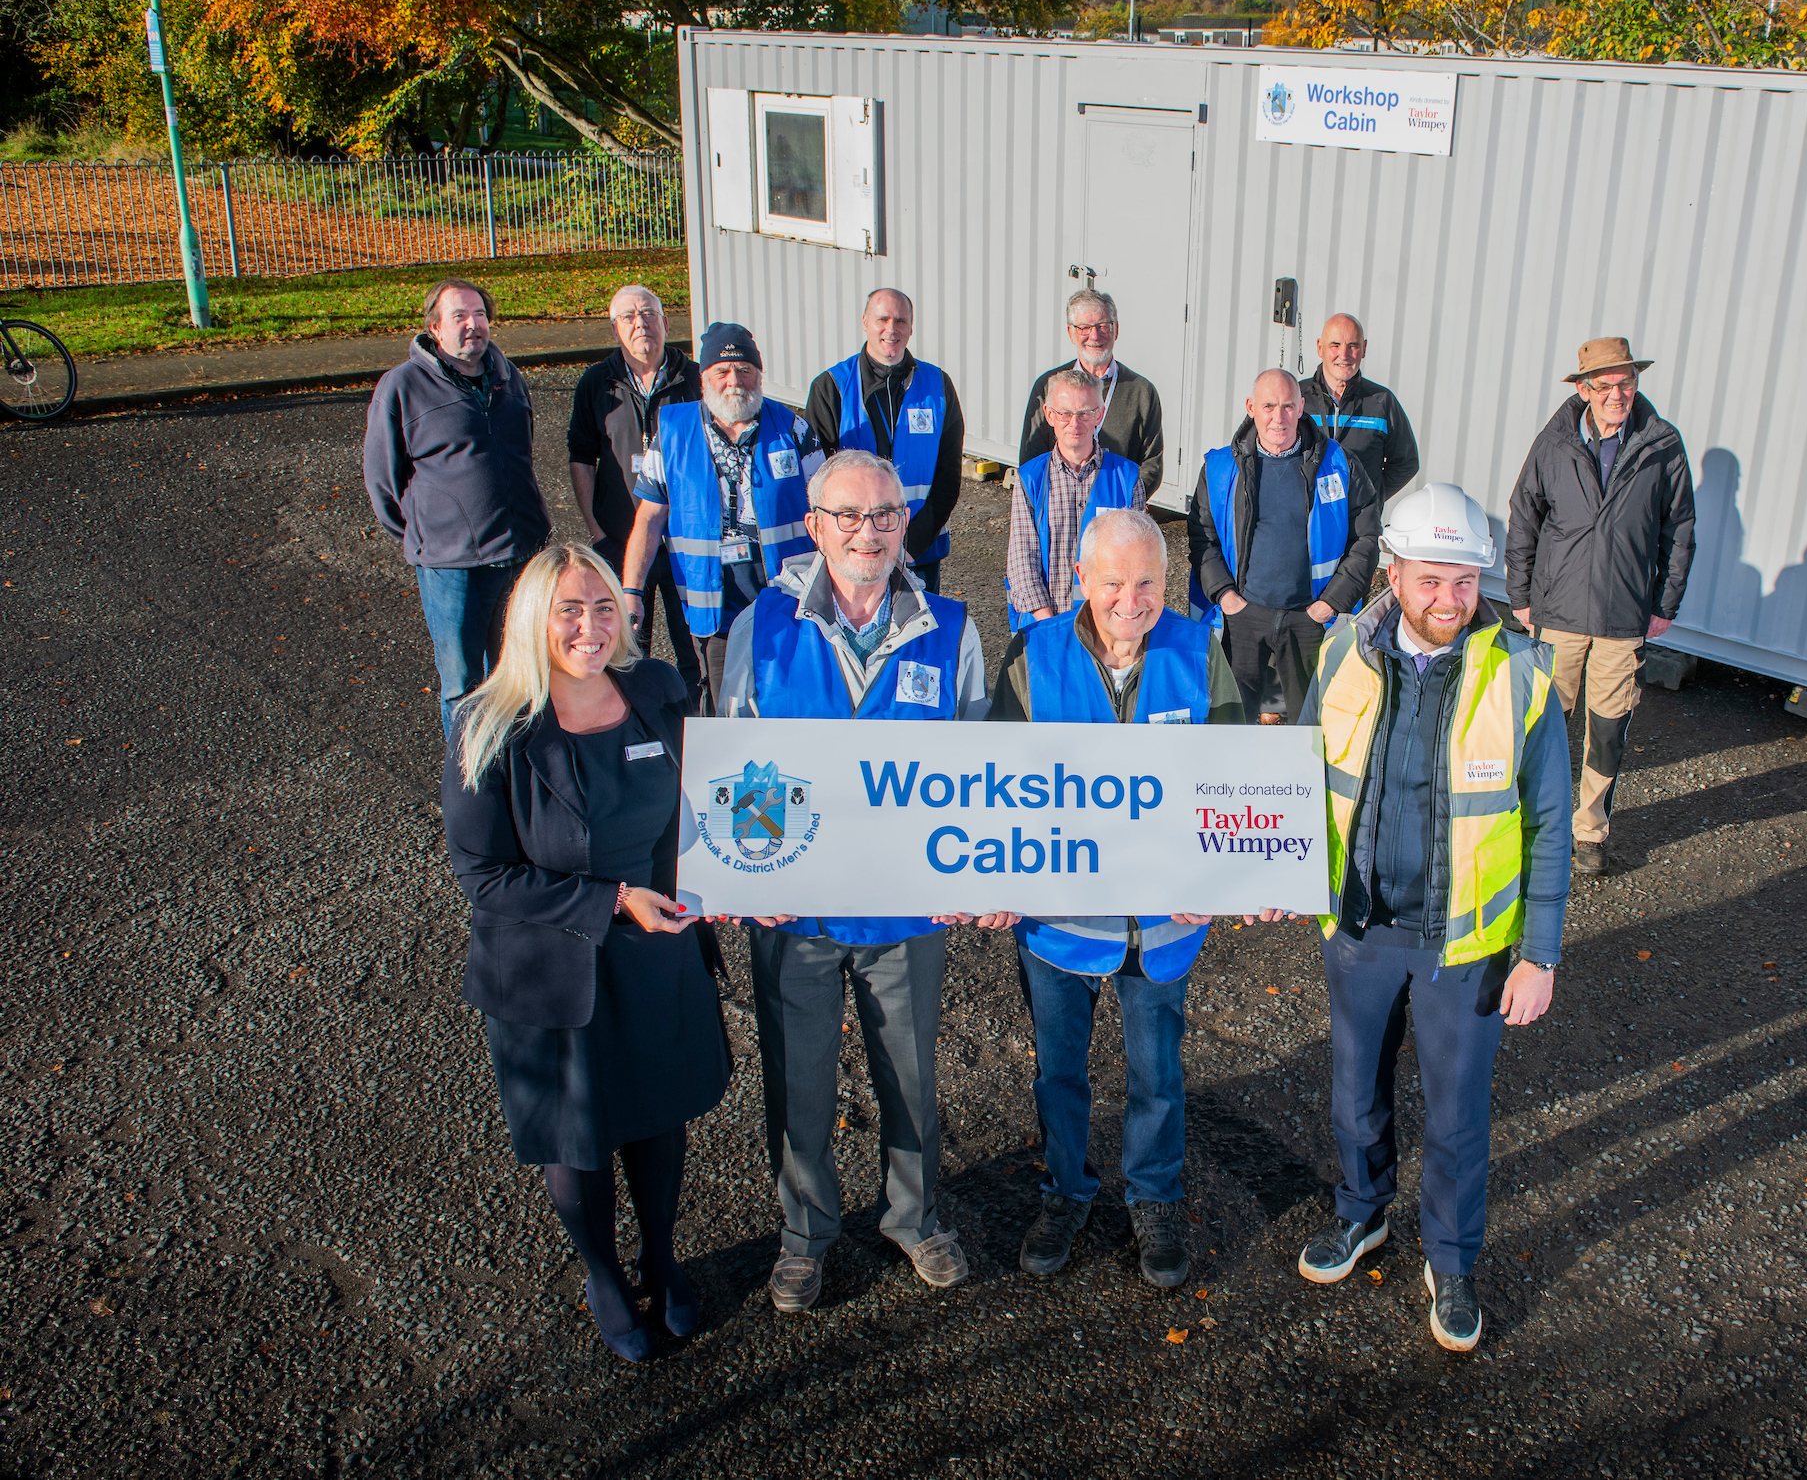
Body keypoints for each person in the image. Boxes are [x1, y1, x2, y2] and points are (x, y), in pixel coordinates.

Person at [1277, 484, 1569, 1354]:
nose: (1450, 601)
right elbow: (1295, 778)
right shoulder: (1341, 654)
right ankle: (1361, 1214)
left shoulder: (1519, 673)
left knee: (1457, 1114)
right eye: (1432, 582)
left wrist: (1540, 952)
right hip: (1360, 929)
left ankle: (1450, 1256)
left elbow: (1549, 819)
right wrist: (1269, 870)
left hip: (1465, 944)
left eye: (1464, 583)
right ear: (1394, 574)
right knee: (1354, 1092)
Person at [439, 542, 731, 1364]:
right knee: (578, 1137)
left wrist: (747, 876)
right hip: (552, 969)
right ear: (534, 617)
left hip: (656, 953)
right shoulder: (490, 726)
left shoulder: (655, 690)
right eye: (570, 609)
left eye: (604, 606)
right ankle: (604, 1273)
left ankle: (662, 1252)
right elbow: (483, 874)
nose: (591, 626)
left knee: (656, 1119)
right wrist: (609, 901)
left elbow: (710, 798)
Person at [718, 449, 990, 1311]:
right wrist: (744, 876)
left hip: (909, 906)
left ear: (903, 524)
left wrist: (979, 867)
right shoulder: (762, 625)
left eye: (882, 515)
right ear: (814, 526)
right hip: (796, 907)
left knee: (909, 1076)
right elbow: (731, 757)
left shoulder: (952, 628)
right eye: (846, 515)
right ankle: (805, 1235)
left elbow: (982, 768)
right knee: (797, 1079)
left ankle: (913, 1217)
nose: (866, 531)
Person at [982, 509, 1245, 1287]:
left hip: (1160, 924)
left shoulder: (1198, 649)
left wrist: (1218, 875)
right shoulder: (1036, 656)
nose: (1131, 601)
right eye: (1112, 584)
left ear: (1168, 583)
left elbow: (1231, 774)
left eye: (1147, 584)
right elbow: (990, 785)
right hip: (1060, 920)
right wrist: (992, 880)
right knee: (1059, 1072)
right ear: (1080, 584)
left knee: (1155, 1072)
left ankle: (1154, 1193)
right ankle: (1065, 1188)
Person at [1504, 337, 1696, 875]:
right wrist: (1520, 596)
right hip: (1558, 610)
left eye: (1626, 383)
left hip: (1623, 614)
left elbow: (1679, 532)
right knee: (1541, 725)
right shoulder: (1555, 442)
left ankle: (1589, 831)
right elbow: (1525, 518)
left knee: (1608, 728)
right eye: (1606, 385)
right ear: (1584, 389)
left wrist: (1665, 604)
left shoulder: (1661, 445)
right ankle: (1531, 822)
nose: (1618, 394)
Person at [364, 278, 550, 739]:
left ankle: (516, 776)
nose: (473, 325)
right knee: (463, 685)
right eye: (460, 317)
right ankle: (471, 787)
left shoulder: (509, 376)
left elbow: (520, 452)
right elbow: (383, 482)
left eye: (480, 315)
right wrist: (431, 537)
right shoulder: (402, 387)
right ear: (434, 327)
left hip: (521, 553)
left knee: (521, 675)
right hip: (454, 568)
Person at [622, 322, 823, 717]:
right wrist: (631, 592)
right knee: (723, 707)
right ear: (704, 379)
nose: (735, 381)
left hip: (786, 599)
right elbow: (648, 520)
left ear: (759, 375)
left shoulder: (795, 430)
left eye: (745, 370)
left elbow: (828, 510)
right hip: (712, 605)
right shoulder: (672, 434)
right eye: (722, 372)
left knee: (788, 702)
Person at [1186, 367, 1381, 724]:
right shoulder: (1219, 468)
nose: (1279, 417)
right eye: (1269, 406)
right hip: (1243, 618)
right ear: (1251, 407)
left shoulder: (1338, 465)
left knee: (1308, 725)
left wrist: (1329, 604)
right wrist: (1227, 597)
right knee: (1231, 720)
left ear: (1302, 406)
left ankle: (1293, 782)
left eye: (1289, 406)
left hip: (1309, 619)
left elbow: (1366, 541)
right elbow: (1202, 538)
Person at [567, 285, 702, 696]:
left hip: (685, 542)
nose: (640, 323)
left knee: (695, 650)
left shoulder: (694, 379)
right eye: (628, 316)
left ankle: (693, 729)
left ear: (665, 322)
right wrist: (597, 530)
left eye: (649, 314)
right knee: (625, 652)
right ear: (614, 329)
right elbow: (581, 457)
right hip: (621, 543)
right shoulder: (596, 384)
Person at [803, 289, 966, 594]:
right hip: (857, 550)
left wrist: (910, 544)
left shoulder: (938, 385)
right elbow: (817, 481)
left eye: (901, 321)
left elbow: (949, 476)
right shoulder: (831, 388)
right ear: (865, 322)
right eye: (882, 319)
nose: (891, 329)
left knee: (920, 636)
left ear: (911, 327)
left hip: (919, 552)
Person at [1005, 367, 1147, 631]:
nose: (1075, 423)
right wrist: (1052, 626)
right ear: (1049, 415)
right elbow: (1022, 562)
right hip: (1045, 625)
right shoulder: (1030, 479)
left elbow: (1137, 562)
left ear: (1099, 415)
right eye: (1065, 413)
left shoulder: (1126, 479)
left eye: (1085, 413)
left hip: (1108, 630)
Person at [1015, 288, 1167, 497]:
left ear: (1116, 329)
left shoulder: (1141, 391)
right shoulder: (1049, 385)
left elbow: (1152, 464)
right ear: (1070, 332)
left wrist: (1123, 500)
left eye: (1103, 326)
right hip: (1059, 507)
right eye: (1084, 328)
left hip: (1117, 512)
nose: (1094, 336)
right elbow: (1031, 457)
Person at [1301, 313, 1419, 501]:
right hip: (1307, 522)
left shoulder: (1382, 401)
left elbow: (1406, 462)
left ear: (1363, 349)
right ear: (1319, 347)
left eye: (1353, 346)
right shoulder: (1296, 399)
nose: (1344, 355)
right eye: (1335, 345)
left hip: (1360, 527)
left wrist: (1370, 498)